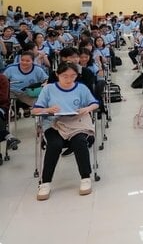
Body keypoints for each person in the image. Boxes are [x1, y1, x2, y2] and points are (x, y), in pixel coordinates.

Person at [32, 62, 100, 200]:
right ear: (58, 75)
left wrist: (86, 109)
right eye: (65, 76)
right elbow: (35, 110)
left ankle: (85, 178)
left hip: (77, 123)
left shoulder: (81, 88)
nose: (69, 80)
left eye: (72, 76)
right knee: (54, 145)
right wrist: (47, 110)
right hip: (53, 124)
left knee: (80, 142)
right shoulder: (49, 89)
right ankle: (45, 182)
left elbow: (95, 103)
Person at [4, 51, 48, 117]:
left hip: (29, 93)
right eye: (22, 60)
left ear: (33, 61)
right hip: (11, 91)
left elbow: (46, 80)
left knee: (42, 105)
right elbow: (2, 81)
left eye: (28, 61)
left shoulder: (38, 69)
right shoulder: (11, 68)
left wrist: (44, 84)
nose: (24, 62)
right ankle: (10, 112)